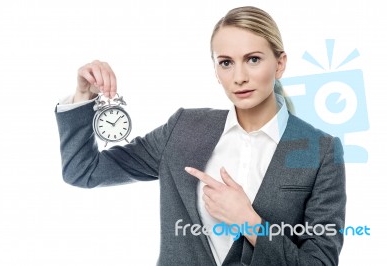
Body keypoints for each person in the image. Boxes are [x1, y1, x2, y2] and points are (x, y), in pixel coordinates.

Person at [55, 6, 346, 266]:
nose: (239, 77)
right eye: (226, 62)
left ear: (280, 64)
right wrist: (84, 95)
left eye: (253, 59)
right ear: (215, 70)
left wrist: (250, 223)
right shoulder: (184, 128)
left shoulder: (321, 151)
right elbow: (83, 171)